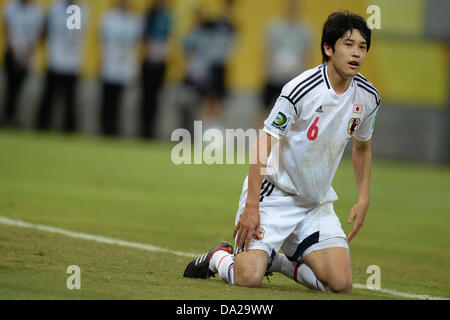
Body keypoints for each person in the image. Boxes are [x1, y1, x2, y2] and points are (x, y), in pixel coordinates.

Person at [184, 11, 380, 293]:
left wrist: (363, 199)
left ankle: (279, 262)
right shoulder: (300, 89)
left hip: (315, 203)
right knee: (248, 278)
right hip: (273, 195)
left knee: (340, 284)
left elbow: (362, 148)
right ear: (328, 48)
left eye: (362, 46)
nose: (356, 53)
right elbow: (264, 144)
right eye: (348, 44)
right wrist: (252, 205)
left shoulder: (368, 97)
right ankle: (219, 257)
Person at [35, 0, 87, 133]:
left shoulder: (76, 9)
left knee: (69, 100)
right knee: (50, 97)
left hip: (70, 61)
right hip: (56, 59)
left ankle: (67, 128)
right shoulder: (60, 8)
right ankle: (43, 126)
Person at [99, 0, 142, 136]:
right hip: (110, 64)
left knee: (121, 103)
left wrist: (133, 68)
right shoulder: (109, 17)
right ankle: (105, 130)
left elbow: (135, 45)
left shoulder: (135, 20)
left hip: (125, 66)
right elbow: (102, 41)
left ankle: (116, 131)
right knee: (107, 100)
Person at [262, 0, 311, 119]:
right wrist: (264, 74)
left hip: (295, 80)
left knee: (292, 114)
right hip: (274, 77)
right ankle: (261, 137)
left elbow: (308, 56)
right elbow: (266, 52)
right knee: (265, 110)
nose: (292, 7)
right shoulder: (274, 28)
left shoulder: (305, 30)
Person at [1, 0, 44, 128]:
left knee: (20, 90)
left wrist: (26, 54)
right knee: (10, 88)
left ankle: (14, 117)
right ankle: (7, 117)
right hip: (11, 54)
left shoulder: (37, 11)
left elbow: (38, 33)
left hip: (27, 56)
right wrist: (15, 53)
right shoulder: (11, 7)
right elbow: (7, 30)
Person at [140, 0, 172, 139]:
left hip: (160, 62)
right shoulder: (149, 16)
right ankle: (144, 129)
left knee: (156, 98)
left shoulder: (167, 17)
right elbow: (144, 36)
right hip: (148, 60)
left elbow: (168, 36)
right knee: (146, 97)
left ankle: (152, 130)